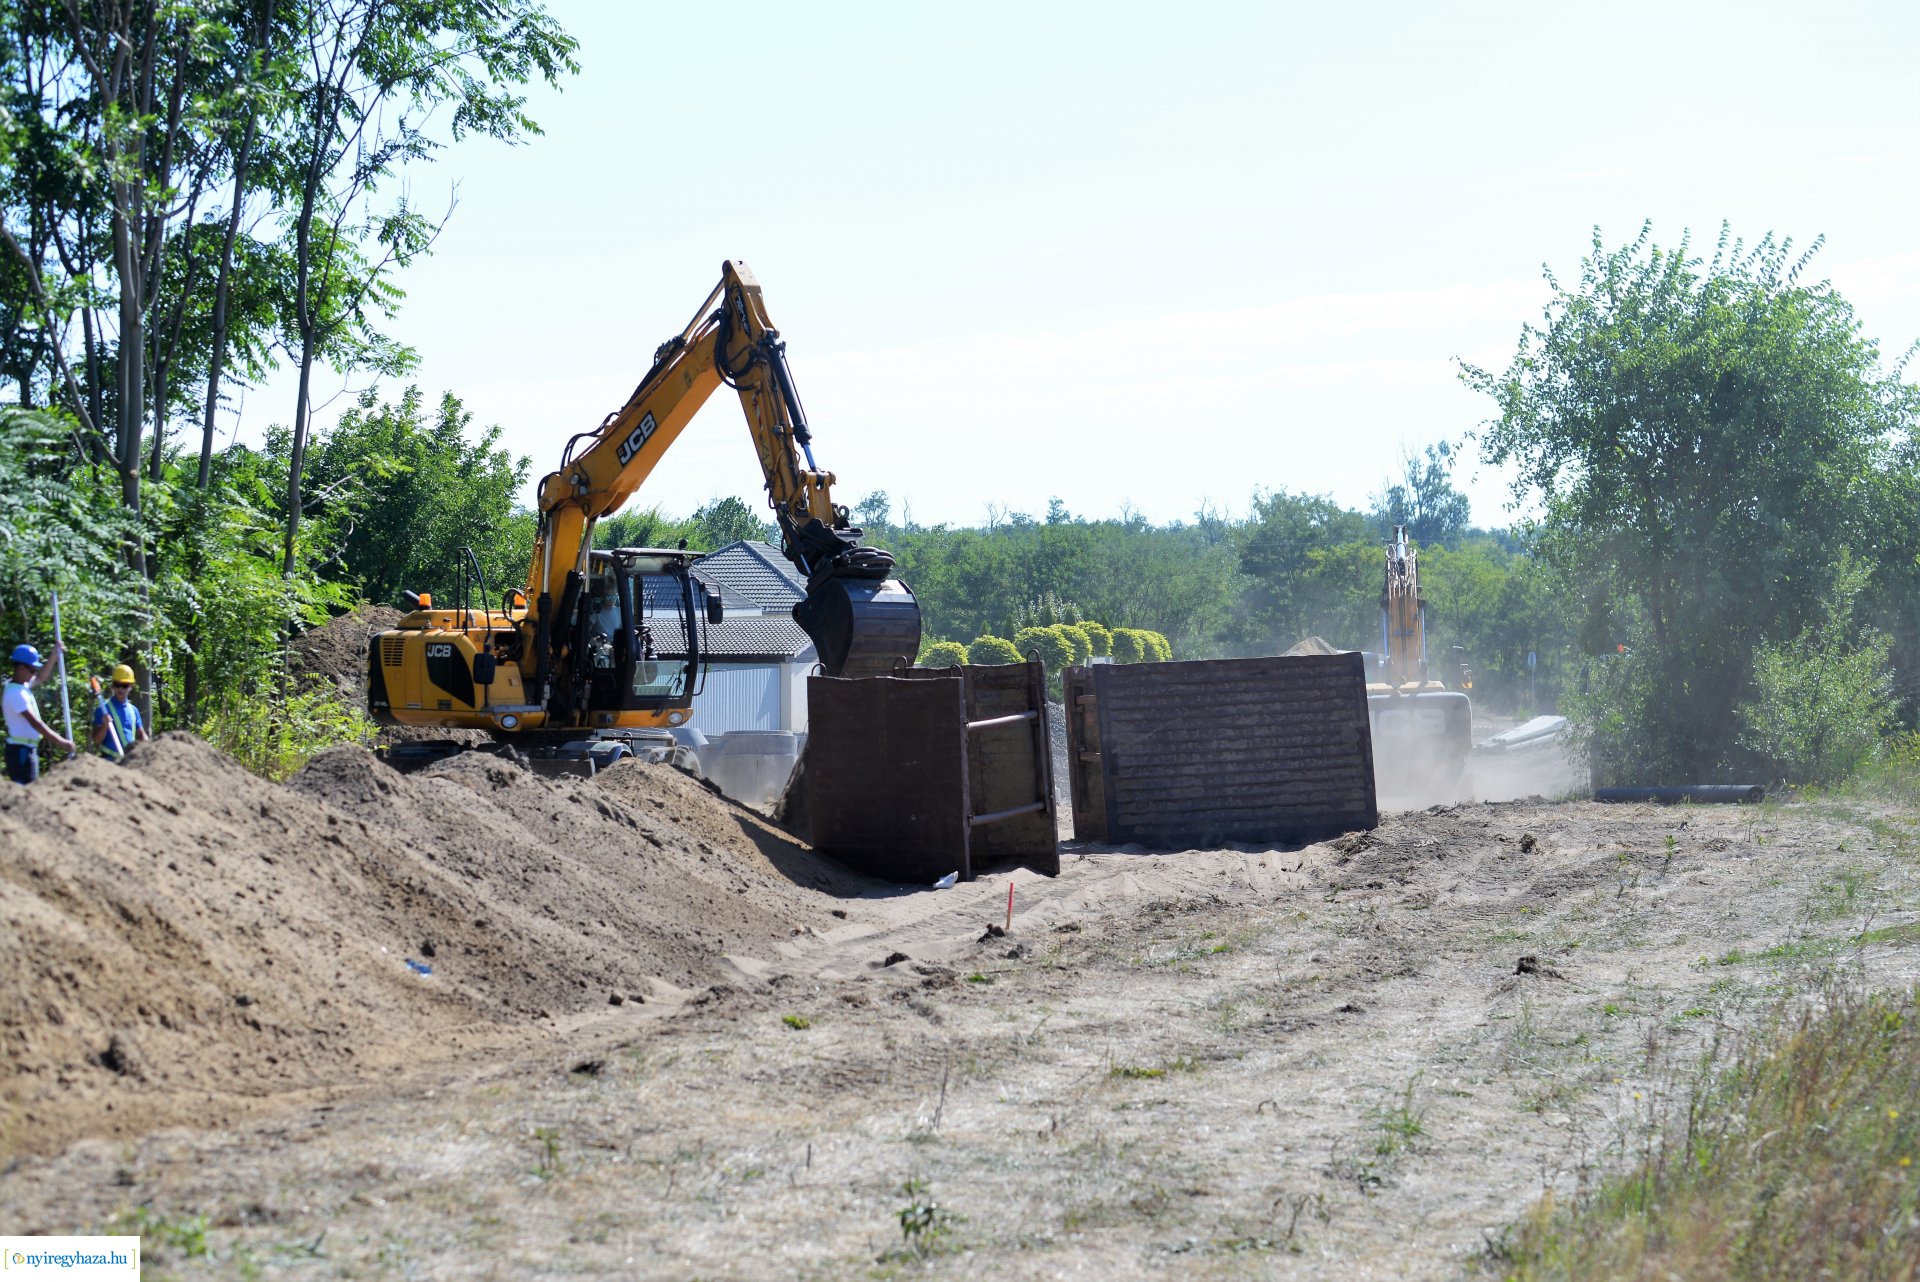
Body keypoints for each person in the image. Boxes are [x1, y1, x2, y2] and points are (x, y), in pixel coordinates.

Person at [4, 642, 75, 784]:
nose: (34, 674)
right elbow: (36, 723)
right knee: (25, 790)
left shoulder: (21, 686)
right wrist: (61, 742)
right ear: (21, 667)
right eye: (32, 670)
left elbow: (41, 678)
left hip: (27, 748)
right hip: (20, 751)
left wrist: (54, 655)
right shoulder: (15, 693)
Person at [91, 663, 150, 756]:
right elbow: (96, 740)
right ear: (113, 686)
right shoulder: (103, 709)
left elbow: (141, 736)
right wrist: (104, 726)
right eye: (117, 685)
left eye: (124, 685)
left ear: (130, 686)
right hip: (108, 761)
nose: (120, 688)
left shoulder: (134, 710)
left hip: (128, 760)